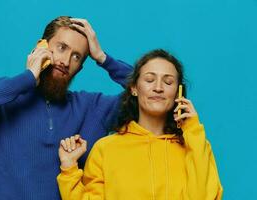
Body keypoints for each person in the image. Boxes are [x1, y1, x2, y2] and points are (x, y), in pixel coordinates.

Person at [0, 16, 132, 200]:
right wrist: (27, 78)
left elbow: (152, 95)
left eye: (76, 56)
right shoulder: (0, 103)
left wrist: (104, 59)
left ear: (79, 68)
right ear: (41, 46)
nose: (65, 61)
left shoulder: (92, 108)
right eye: (62, 48)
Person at [57, 49, 223, 200]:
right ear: (134, 88)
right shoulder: (106, 149)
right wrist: (69, 170)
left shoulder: (196, 146)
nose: (158, 88)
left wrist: (193, 130)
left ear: (177, 93)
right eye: (150, 79)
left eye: (168, 82)